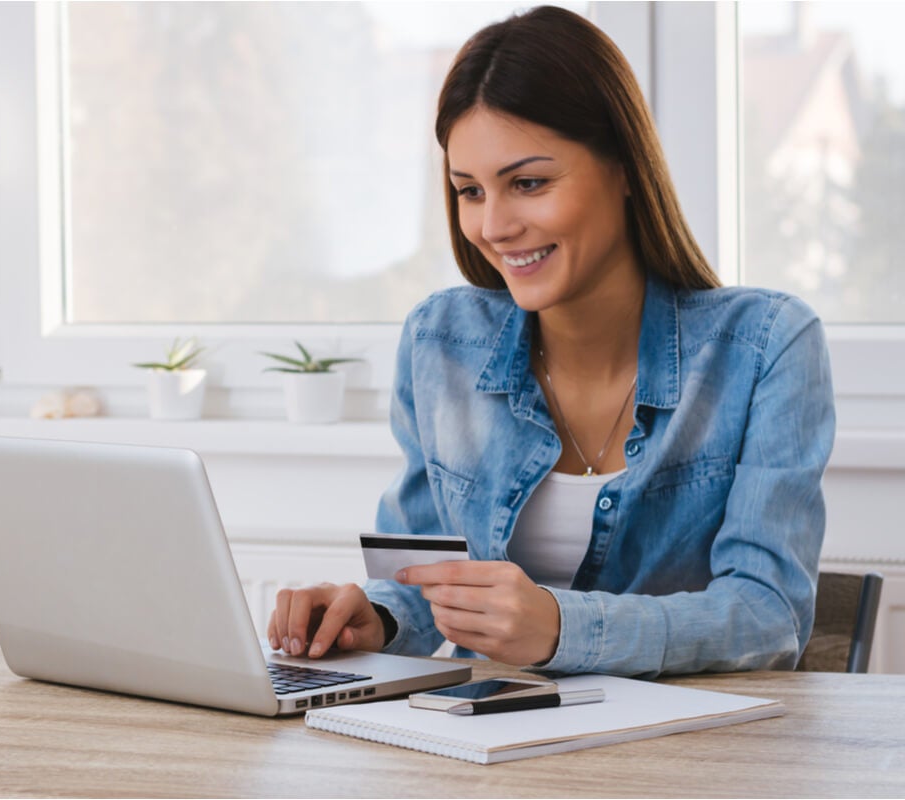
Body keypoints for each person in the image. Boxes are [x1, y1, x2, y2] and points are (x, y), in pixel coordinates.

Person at [266, 6, 835, 678]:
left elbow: (768, 618)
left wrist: (562, 627)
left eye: (528, 183)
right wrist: (379, 613)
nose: (494, 225)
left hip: (689, 764)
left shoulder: (765, 346)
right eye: (469, 191)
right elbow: (428, 583)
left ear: (625, 166)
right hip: (492, 752)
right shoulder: (439, 342)